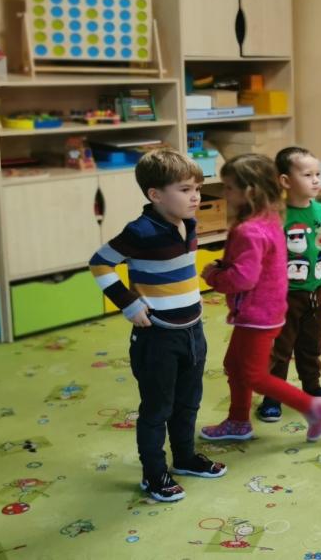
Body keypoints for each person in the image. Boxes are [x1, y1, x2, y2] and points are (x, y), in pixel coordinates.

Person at [89, 149, 224, 502]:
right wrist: (128, 303)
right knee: (157, 409)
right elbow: (100, 263)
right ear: (156, 195)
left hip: (193, 330)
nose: (195, 196)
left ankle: (185, 458)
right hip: (157, 337)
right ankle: (153, 475)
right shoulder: (141, 231)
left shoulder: (189, 223)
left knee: (188, 402)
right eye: (185, 189)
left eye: (197, 188)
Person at [199, 154, 321, 443]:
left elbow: (244, 278)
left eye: (229, 187)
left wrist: (213, 276)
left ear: (249, 192)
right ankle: (238, 421)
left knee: (254, 375)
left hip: (257, 313)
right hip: (266, 309)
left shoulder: (249, 230)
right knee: (235, 365)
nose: (224, 193)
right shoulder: (271, 217)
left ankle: (312, 407)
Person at [256, 147, 321, 422]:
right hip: (284, 297)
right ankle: (273, 396)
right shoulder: (276, 216)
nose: (316, 180)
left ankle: (312, 386)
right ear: (285, 181)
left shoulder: (320, 211)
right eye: (307, 175)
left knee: (312, 344)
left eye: (318, 174)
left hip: (315, 294)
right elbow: (265, 258)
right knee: (281, 349)